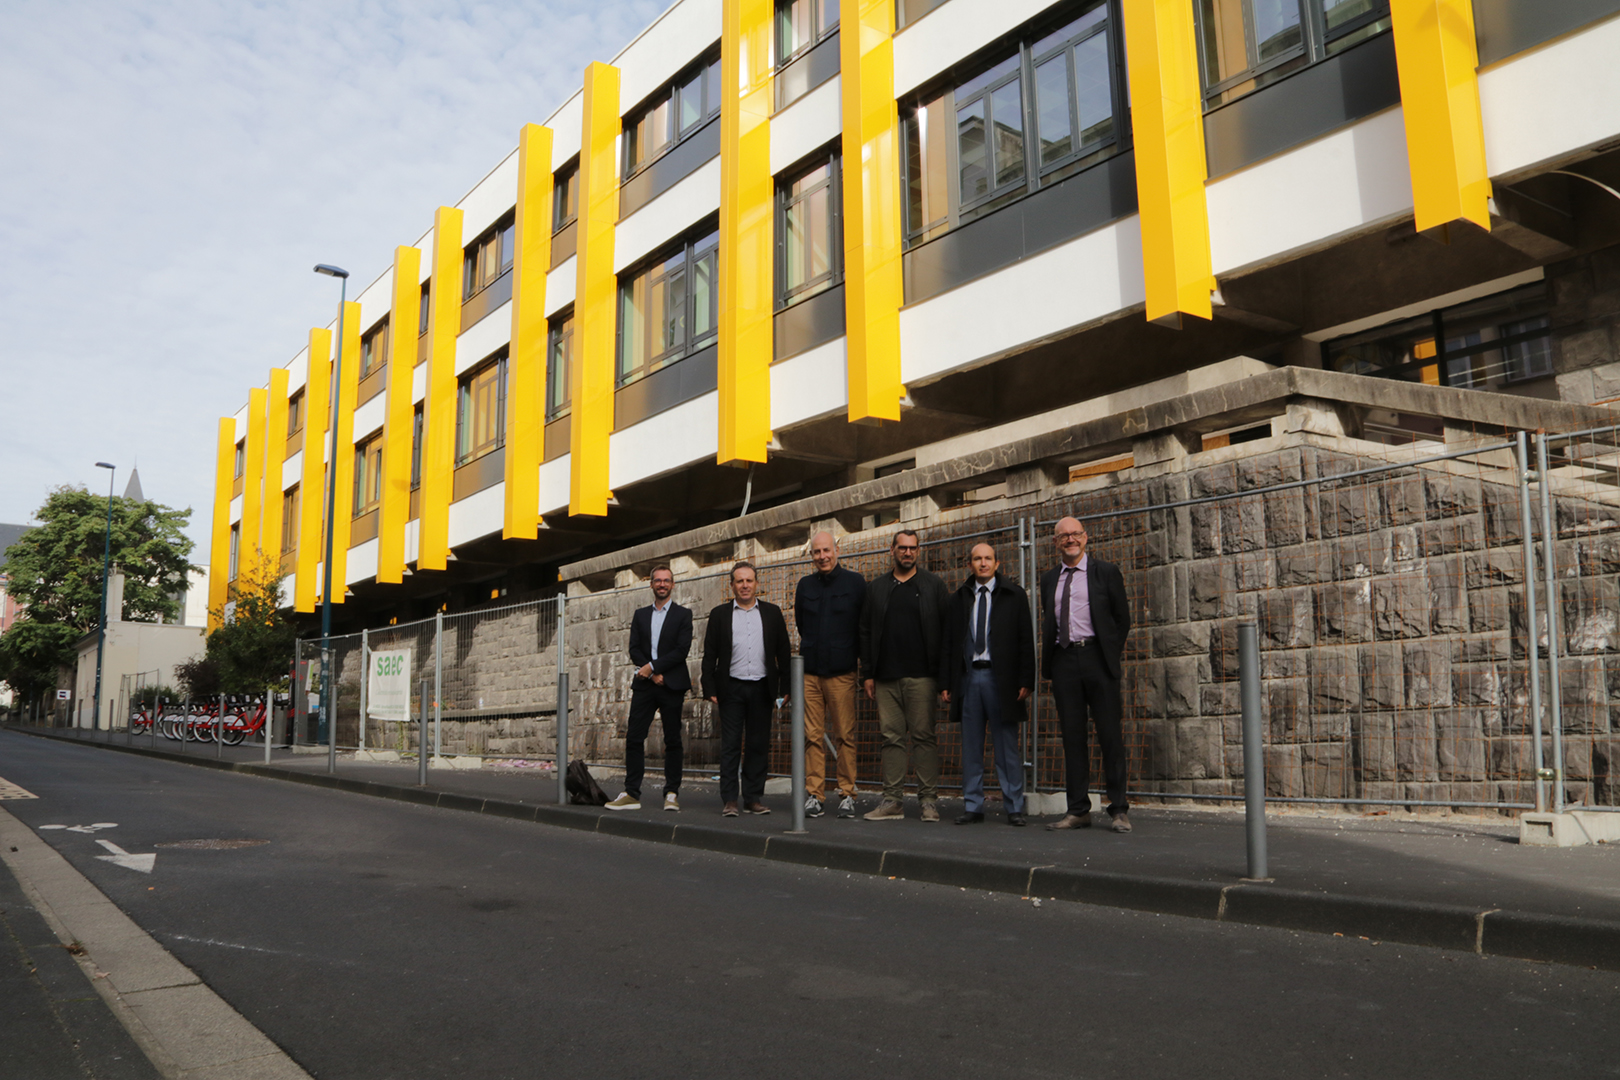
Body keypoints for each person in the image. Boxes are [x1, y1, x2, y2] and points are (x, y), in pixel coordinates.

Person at [1040, 517, 1133, 833]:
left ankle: (1118, 809)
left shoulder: (1106, 572)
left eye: (1075, 534)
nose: (1070, 539)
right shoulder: (1049, 579)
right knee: (1072, 738)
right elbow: (1049, 620)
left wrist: (1108, 651)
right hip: (1064, 662)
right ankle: (1078, 809)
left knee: (1110, 736)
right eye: (1063, 535)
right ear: (1056, 542)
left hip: (1098, 659)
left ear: (1086, 538)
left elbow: (1123, 619)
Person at [858, 529, 949, 822]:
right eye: (902, 548)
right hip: (885, 678)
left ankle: (928, 802)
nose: (907, 553)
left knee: (924, 738)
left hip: (923, 677)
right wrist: (868, 674)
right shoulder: (877, 588)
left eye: (912, 548)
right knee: (891, 739)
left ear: (919, 551)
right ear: (892, 550)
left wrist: (944, 677)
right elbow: (866, 632)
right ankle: (893, 801)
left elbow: (948, 633)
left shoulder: (934, 586)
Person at [941, 543, 1035, 826]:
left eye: (988, 559)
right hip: (970, 679)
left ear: (997, 563)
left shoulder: (1014, 596)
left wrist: (1025, 679)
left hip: (1001, 679)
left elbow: (1025, 640)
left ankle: (1014, 805)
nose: (982, 563)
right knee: (971, 745)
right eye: (977, 559)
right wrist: (946, 682)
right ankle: (973, 805)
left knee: (1006, 745)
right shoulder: (958, 598)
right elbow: (948, 644)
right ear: (969, 564)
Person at [702, 561, 792, 817]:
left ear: (756, 584)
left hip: (763, 688)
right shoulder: (719, 614)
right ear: (732, 585)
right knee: (730, 745)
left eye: (749, 580)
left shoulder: (772, 613)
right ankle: (730, 799)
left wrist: (785, 687)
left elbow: (783, 653)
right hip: (731, 688)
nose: (744, 585)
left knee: (758, 744)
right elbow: (710, 655)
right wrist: (709, 686)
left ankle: (753, 798)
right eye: (739, 581)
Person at [606, 565, 692, 813]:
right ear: (651, 585)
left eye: (667, 580)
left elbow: (681, 650)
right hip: (646, 684)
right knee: (634, 737)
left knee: (673, 740)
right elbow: (634, 649)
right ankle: (631, 793)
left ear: (673, 585)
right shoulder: (640, 615)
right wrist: (651, 673)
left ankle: (672, 793)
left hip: (671, 684)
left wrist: (653, 667)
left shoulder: (683, 615)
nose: (662, 584)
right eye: (658, 580)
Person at [794, 531, 865, 819]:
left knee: (845, 735)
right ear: (811, 555)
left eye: (826, 550)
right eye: (816, 552)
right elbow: (801, 623)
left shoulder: (855, 583)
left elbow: (863, 625)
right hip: (810, 672)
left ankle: (847, 793)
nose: (822, 556)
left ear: (837, 550)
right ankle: (815, 794)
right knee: (812, 736)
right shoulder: (805, 585)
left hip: (841, 673)